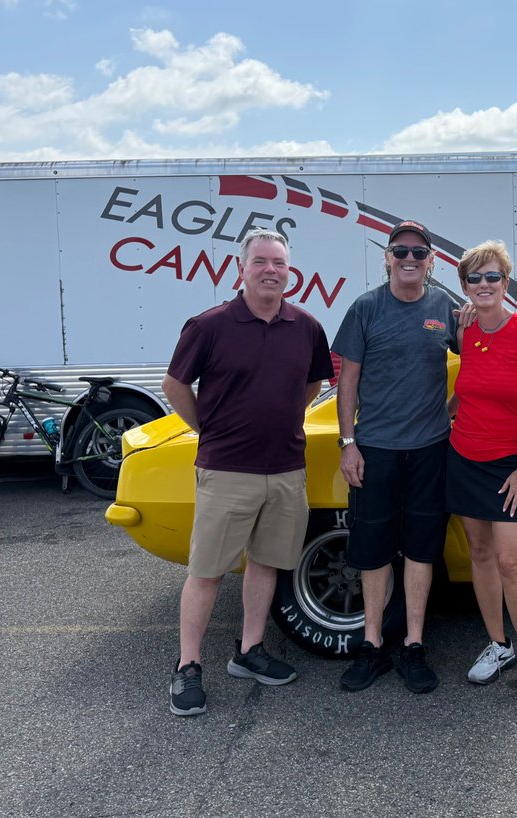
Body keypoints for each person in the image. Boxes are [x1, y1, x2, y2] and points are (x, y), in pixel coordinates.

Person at [163, 229, 334, 717]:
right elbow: (175, 385)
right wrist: (207, 428)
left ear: (289, 271)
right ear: (241, 269)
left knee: (266, 562)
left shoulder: (306, 326)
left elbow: (312, 383)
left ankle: (250, 650)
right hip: (226, 471)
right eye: (260, 261)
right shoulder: (210, 325)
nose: (270, 270)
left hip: (285, 471)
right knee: (207, 571)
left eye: (279, 263)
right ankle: (188, 666)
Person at [332, 219, 465, 694]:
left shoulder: (444, 308)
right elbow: (346, 382)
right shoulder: (366, 308)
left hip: (430, 450)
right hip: (375, 451)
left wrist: (451, 409)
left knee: (421, 550)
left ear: (431, 261)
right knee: (372, 552)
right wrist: (348, 443)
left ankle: (413, 646)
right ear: (386, 257)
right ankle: (371, 646)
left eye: (418, 252)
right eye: (400, 251)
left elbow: (480, 361)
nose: (409, 259)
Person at [448, 240, 517, 705]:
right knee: (479, 552)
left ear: (507, 283)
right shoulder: (465, 329)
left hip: (512, 465)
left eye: (493, 277)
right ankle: (498, 646)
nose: (485, 285)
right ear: (465, 286)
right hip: (464, 456)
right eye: (476, 278)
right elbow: (465, 392)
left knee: (512, 561)